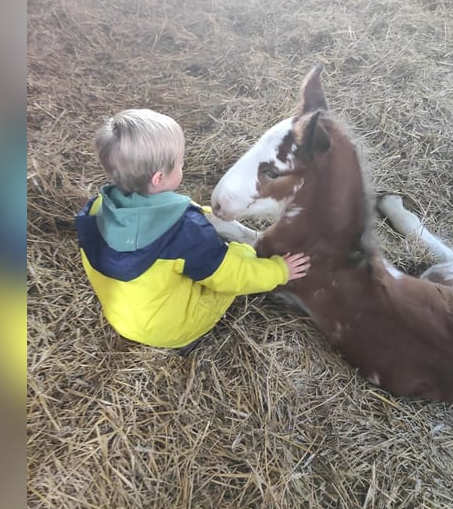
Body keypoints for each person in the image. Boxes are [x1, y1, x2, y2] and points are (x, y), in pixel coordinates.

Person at [75, 109, 310, 349]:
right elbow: (231, 276)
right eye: (179, 161)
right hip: (170, 330)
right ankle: (187, 339)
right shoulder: (187, 234)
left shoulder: (95, 208)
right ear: (158, 179)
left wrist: (200, 215)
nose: (183, 163)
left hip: (123, 318)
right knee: (240, 255)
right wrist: (279, 271)